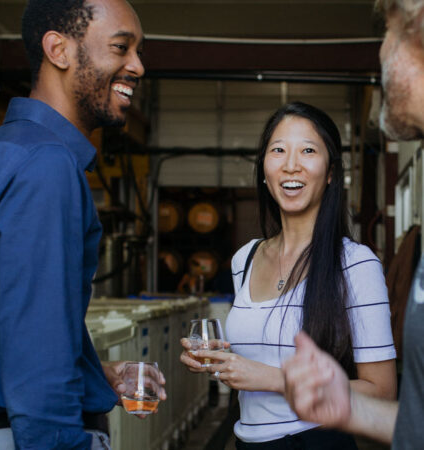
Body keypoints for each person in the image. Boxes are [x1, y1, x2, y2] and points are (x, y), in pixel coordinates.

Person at [0, 0, 165, 449]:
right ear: (58, 50)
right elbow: (37, 360)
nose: (137, 65)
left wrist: (93, 374)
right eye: (121, 47)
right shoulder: (47, 166)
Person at [180, 101, 397, 449]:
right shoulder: (244, 259)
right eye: (278, 150)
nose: (291, 165)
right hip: (246, 441)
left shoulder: (355, 263)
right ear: (265, 172)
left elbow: (382, 393)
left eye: (308, 150)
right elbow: (254, 363)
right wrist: (220, 362)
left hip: (315, 441)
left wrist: (273, 379)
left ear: (330, 173)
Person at [282, 1, 424, 448]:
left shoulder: (354, 261)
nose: (380, 52)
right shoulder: (245, 258)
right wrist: (347, 405)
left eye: (388, 31)